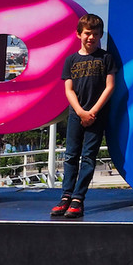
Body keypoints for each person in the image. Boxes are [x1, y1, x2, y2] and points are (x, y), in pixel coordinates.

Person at [51, 13, 117, 220]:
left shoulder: (106, 58)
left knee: (88, 157)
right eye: (88, 33)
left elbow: (110, 86)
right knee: (71, 156)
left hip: (96, 116)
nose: (91, 37)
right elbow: (68, 89)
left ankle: (78, 198)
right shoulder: (71, 60)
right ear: (78, 34)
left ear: (101, 36)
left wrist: (93, 112)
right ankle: (66, 196)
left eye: (96, 34)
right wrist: (80, 112)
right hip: (76, 115)